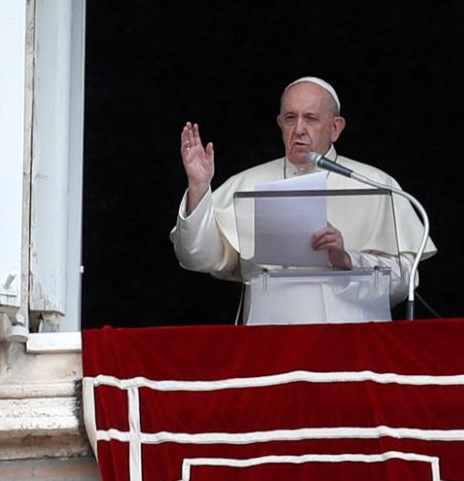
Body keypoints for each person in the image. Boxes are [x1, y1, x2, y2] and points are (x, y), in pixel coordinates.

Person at [170, 76, 436, 324]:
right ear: (280, 124)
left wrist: (347, 260)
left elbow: (403, 283)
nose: (299, 129)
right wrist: (199, 187)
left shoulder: (377, 184)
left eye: (310, 118)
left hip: (353, 342)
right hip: (270, 342)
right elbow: (198, 258)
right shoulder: (247, 184)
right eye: (290, 118)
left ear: (335, 128)